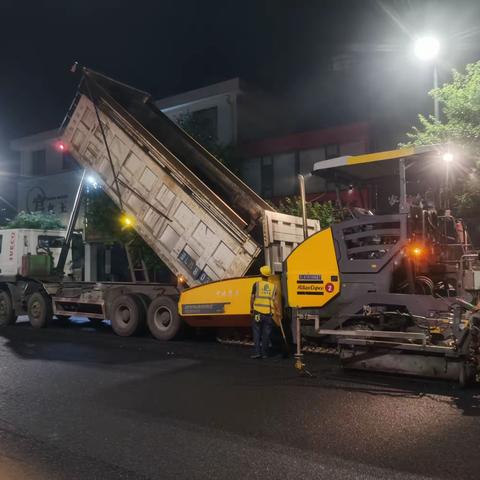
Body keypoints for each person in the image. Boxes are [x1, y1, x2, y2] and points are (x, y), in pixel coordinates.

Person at [250, 265, 276, 359]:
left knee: (257, 332)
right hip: (268, 314)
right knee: (266, 334)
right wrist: (275, 312)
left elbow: (252, 298)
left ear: (261, 274)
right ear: (268, 275)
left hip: (257, 313)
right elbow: (274, 300)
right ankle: (265, 354)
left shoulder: (256, 284)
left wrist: (251, 309)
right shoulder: (273, 287)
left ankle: (257, 353)